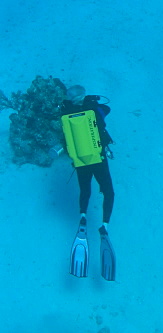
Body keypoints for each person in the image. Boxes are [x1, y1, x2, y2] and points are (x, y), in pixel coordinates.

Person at [61, 86, 116, 281]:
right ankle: (104, 225)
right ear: (83, 95)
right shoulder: (93, 109)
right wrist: (93, 101)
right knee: (108, 192)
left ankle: (83, 216)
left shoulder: (65, 111)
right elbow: (106, 111)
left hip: (80, 162)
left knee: (85, 190)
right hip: (98, 158)